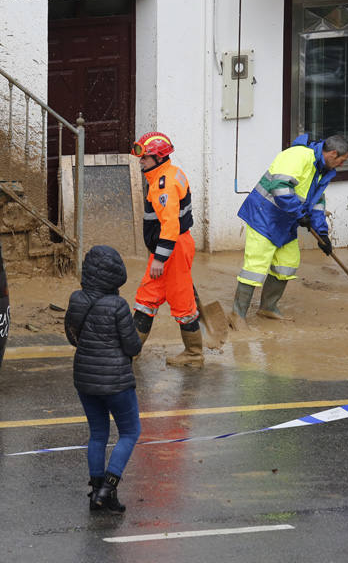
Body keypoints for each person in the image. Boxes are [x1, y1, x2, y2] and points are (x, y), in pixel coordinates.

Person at [232, 133, 348, 323]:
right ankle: (237, 316)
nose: (342, 165)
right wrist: (299, 214)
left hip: (286, 221)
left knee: (287, 264)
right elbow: (280, 187)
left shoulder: (322, 169)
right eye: (342, 160)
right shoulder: (298, 156)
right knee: (255, 267)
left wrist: (322, 234)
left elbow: (317, 202)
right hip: (264, 216)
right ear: (333, 154)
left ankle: (268, 307)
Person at [65, 244, 143, 514]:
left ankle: (95, 491)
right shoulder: (119, 305)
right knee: (130, 432)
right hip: (117, 382)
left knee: (98, 434)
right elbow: (133, 347)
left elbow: (72, 336)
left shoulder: (76, 299)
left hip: (84, 379)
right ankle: (108, 489)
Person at [129, 131, 204, 368]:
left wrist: (160, 258)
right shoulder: (169, 174)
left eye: (145, 157)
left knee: (182, 301)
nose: (141, 161)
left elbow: (170, 225)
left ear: (159, 158)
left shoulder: (164, 184)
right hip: (170, 248)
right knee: (146, 298)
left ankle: (193, 354)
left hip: (172, 249)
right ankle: (130, 352)